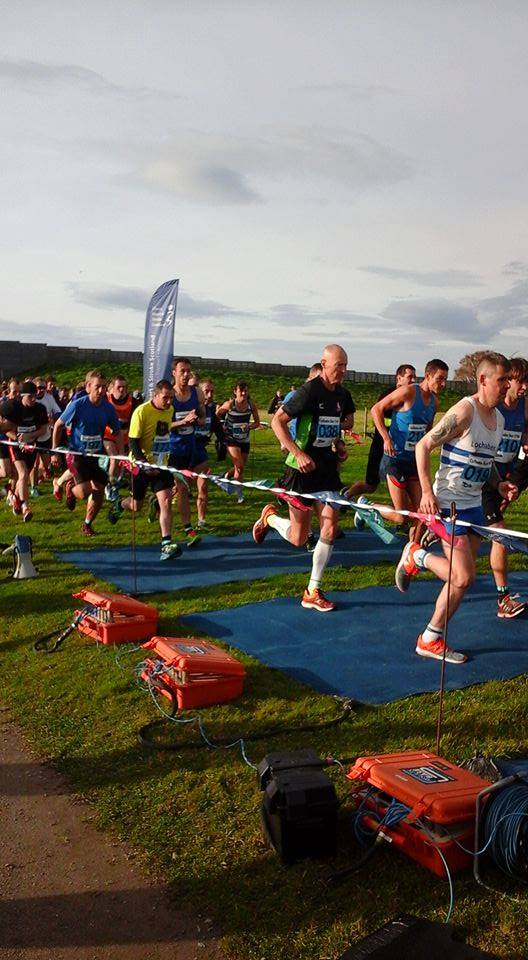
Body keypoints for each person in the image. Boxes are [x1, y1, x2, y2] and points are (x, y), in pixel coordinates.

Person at [395, 352, 517, 663]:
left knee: (460, 580)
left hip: (474, 505)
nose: (506, 386)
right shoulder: (465, 411)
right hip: (447, 503)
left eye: (508, 381)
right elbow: (424, 445)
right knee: (462, 577)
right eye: (502, 380)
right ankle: (416, 556)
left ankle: (431, 638)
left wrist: (497, 483)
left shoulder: (499, 420)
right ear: (483, 380)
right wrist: (426, 491)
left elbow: (483, 462)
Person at [252, 344, 355, 612]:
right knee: (299, 538)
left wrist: (339, 446)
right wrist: (297, 453)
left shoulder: (342, 395)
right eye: (338, 365)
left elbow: (333, 429)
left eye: (345, 365)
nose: (342, 371)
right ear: (324, 364)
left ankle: (312, 590)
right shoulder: (309, 391)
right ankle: (270, 518)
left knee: (330, 527)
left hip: (327, 471)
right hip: (301, 471)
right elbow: (277, 421)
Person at [108, 379, 182, 561]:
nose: (169, 402)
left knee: (165, 502)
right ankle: (120, 504)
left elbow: (164, 431)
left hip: (161, 463)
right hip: (140, 466)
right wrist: (144, 464)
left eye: (171, 398)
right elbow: (133, 442)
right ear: (155, 396)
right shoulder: (141, 411)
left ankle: (166, 544)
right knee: (136, 505)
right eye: (165, 398)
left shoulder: (170, 410)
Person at [369, 359, 449, 525]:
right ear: (428, 376)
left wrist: (431, 444)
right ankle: (367, 506)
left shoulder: (434, 403)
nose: (443, 384)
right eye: (439, 379)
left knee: (423, 511)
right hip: (395, 458)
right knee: (401, 516)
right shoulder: (408, 392)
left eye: (445, 379)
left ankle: (414, 547)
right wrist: (386, 438)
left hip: (414, 461)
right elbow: (376, 409)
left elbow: (427, 429)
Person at [481, 357, 528, 618]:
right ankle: (503, 598)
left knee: (479, 534)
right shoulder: (493, 409)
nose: (524, 387)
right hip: (485, 477)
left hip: (506, 477)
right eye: (520, 381)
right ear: (508, 380)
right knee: (499, 534)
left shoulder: (524, 407)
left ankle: (432, 534)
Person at [52, 370, 123, 536]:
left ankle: (87, 524)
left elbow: (117, 432)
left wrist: (119, 456)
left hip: (95, 456)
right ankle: (70, 487)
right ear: (88, 386)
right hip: (76, 455)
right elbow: (58, 425)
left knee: (99, 491)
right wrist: (55, 451)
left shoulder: (108, 408)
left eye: (104, 387)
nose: (101, 391)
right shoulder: (78, 405)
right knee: (84, 493)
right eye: (98, 387)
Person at [347, 364, 416, 504]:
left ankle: (403, 516)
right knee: (370, 485)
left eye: (414, 377)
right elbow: (377, 413)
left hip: (403, 451)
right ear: (399, 378)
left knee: (407, 486)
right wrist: (387, 437)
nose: (413, 380)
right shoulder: (388, 395)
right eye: (410, 377)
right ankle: (347, 495)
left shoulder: (413, 397)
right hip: (381, 446)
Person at [168, 357, 207, 544]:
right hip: (173, 449)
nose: (185, 375)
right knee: (183, 488)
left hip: (192, 447)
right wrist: (183, 422)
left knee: (190, 484)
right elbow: (161, 426)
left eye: (188, 371)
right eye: (182, 371)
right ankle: (188, 529)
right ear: (174, 373)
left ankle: (161, 497)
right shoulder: (168, 395)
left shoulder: (197, 392)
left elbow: (202, 417)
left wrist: (197, 420)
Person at [0, 380, 49, 521]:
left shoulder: (40, 409)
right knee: (22, 474)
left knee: (22, 477)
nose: (33, 399)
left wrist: (31, 436)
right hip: (15, 445)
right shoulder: (13, 407)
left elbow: (44, 428)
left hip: (31, 445)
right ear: (22, 396)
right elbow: (7, 429)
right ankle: (25, 507)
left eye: (35, 396)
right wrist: (17, 438)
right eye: (30, 396)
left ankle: (13, 497)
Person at [216, 381, 260, 503]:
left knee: (240, 467)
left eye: (246, 390)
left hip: (244, 439)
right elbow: (217, 414)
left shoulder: (251, 405)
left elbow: (257, 423)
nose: (244, 393)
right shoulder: (230, 404)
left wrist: (249, 427)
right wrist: (221, 427)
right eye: (241, 391)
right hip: (231, 439)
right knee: (239, 466)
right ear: (235, 392)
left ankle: (225, 474)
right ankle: (240, 494)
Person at [193, 378, 225, 529]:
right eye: (207, 391)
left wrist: (223, 442)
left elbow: (217, 428)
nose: (210, 394)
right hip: (185, 451)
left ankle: (201, 521)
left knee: (203, 486)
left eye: (212, 391)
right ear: (200, 392)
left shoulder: (211, 409)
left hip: (201, 451)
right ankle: (157, 501)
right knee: (180, 488)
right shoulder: (191, 407)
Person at [103, 376, 140, 491]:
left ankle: (115, 482)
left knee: (122, 462)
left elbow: (136, 419)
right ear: (112, 388)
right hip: (108, 436)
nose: (121, 390)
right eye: (119, 387)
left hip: (124, 437)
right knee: (115, 458)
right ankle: (108, 486)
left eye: (124, 387)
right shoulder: (105, 399)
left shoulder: (133, 401)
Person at [29, 378, 62, 495]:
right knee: (35, 463)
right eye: (38, 387)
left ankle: (41, 476)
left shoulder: (49, 398)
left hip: (46, 436)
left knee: (45, 465)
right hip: (33, 436)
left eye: (43, 387)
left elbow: (58, 412)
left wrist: (53, 418)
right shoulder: (30, 399)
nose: (41, 390)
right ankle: (34, 488)